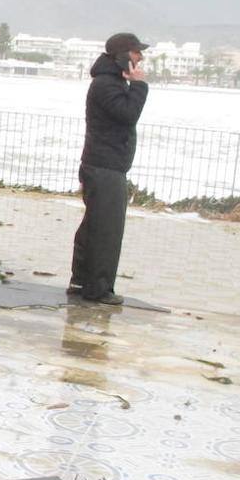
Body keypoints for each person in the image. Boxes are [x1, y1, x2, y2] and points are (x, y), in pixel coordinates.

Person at [69, 31, 151, 305]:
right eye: (137, 53)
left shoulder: (109, 82)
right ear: (124, 56)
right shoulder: (106, 84)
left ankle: (81, 280)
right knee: (106, 229)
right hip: (105, 166)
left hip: (103, 164)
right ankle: (98, 288)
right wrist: (139, 86)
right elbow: (128, 114)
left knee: (94, 225)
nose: (141, 58)